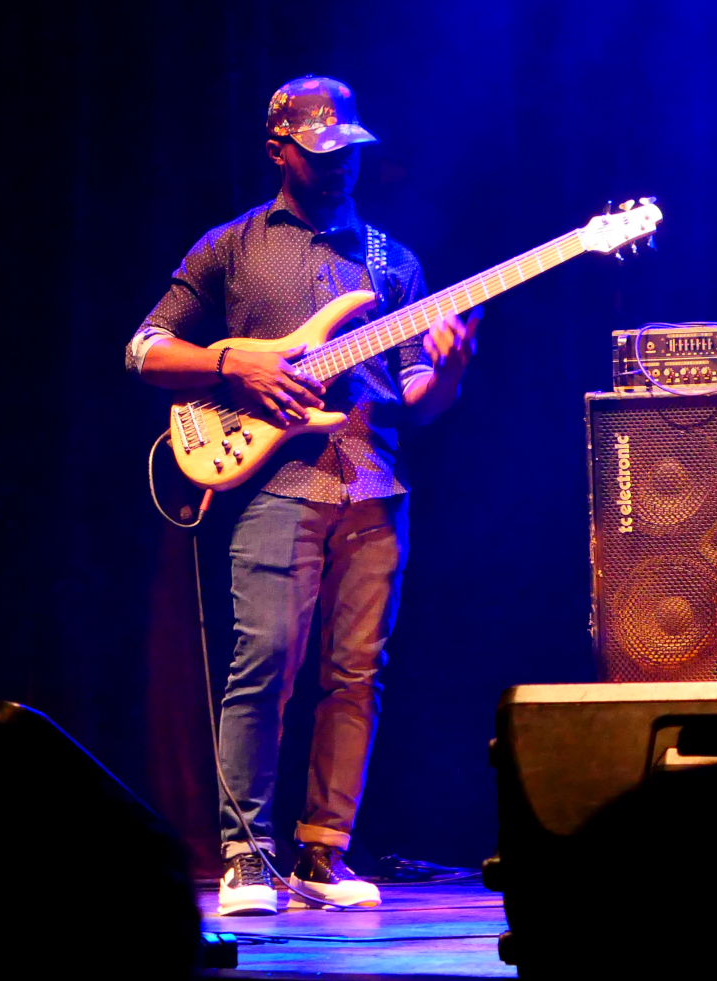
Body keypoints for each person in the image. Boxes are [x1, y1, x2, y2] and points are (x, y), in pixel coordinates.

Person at [128, 76, 479, 917]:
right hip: (277, 480)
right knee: (266, 664)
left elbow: (422, 398)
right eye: (320, 156)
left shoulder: (394, 260)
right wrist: (235, 361)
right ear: (279, 148)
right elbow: (145, 347)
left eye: (349, 154)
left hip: (376, 482)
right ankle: (249, 853)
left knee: (359, 672)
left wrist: (452, 361)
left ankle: (325, 849)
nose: (338, 170)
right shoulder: (234, 247)